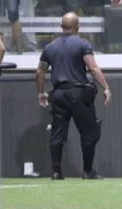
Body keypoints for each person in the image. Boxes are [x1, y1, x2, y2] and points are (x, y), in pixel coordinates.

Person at [36, 12, 111, 180]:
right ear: (78, 27)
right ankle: (88, 171)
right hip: (78, 93)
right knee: (89, 132)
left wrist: (41, 93)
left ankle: (56, 172)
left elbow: (40, 71)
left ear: (62, 27)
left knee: (57, 133)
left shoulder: (50, 47)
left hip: (59, 94)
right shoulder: (82, 44)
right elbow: (92, 68)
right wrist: (105, 87)